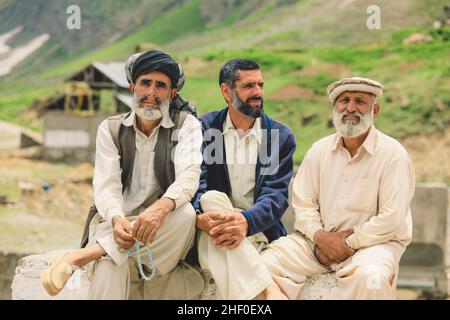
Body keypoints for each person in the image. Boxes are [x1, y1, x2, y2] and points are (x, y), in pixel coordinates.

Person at [41, 50, 203, 299]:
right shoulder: (111, 128)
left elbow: (188, 176)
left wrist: (161, 208)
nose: (151, 93)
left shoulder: (187, 125)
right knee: (109, 265)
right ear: (132, 88)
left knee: (186, 213)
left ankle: (84, 255)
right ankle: (102, 251)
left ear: (172, 94)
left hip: (164, 234)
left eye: (161, 86)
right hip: (117, 226)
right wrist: (117, 221)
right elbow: (106, 187)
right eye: (145, 83)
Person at [261, 77, 415, 299]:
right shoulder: (319, 150)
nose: (351, 108)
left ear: (376, 109)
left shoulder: (393, 154)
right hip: (315, 243)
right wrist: (321, 238)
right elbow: (303, 206)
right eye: (344, 100)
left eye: (360, 101)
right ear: (335, 108)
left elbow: (391, 219)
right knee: (265, 266)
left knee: (371, 278)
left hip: (372, 246)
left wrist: (347, 244)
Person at [192, 59, 296, 299]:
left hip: (260, 231)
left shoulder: (279, 137)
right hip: (212, 229)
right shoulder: (204, 130)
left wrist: (244, 222)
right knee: (212, 198)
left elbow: (276, 196)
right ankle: (268, 291)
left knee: (225, 257)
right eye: (249, 86)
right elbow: (197, 185)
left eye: (260, 84)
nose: (258, 92)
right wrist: (200, 216)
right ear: (227, 92)